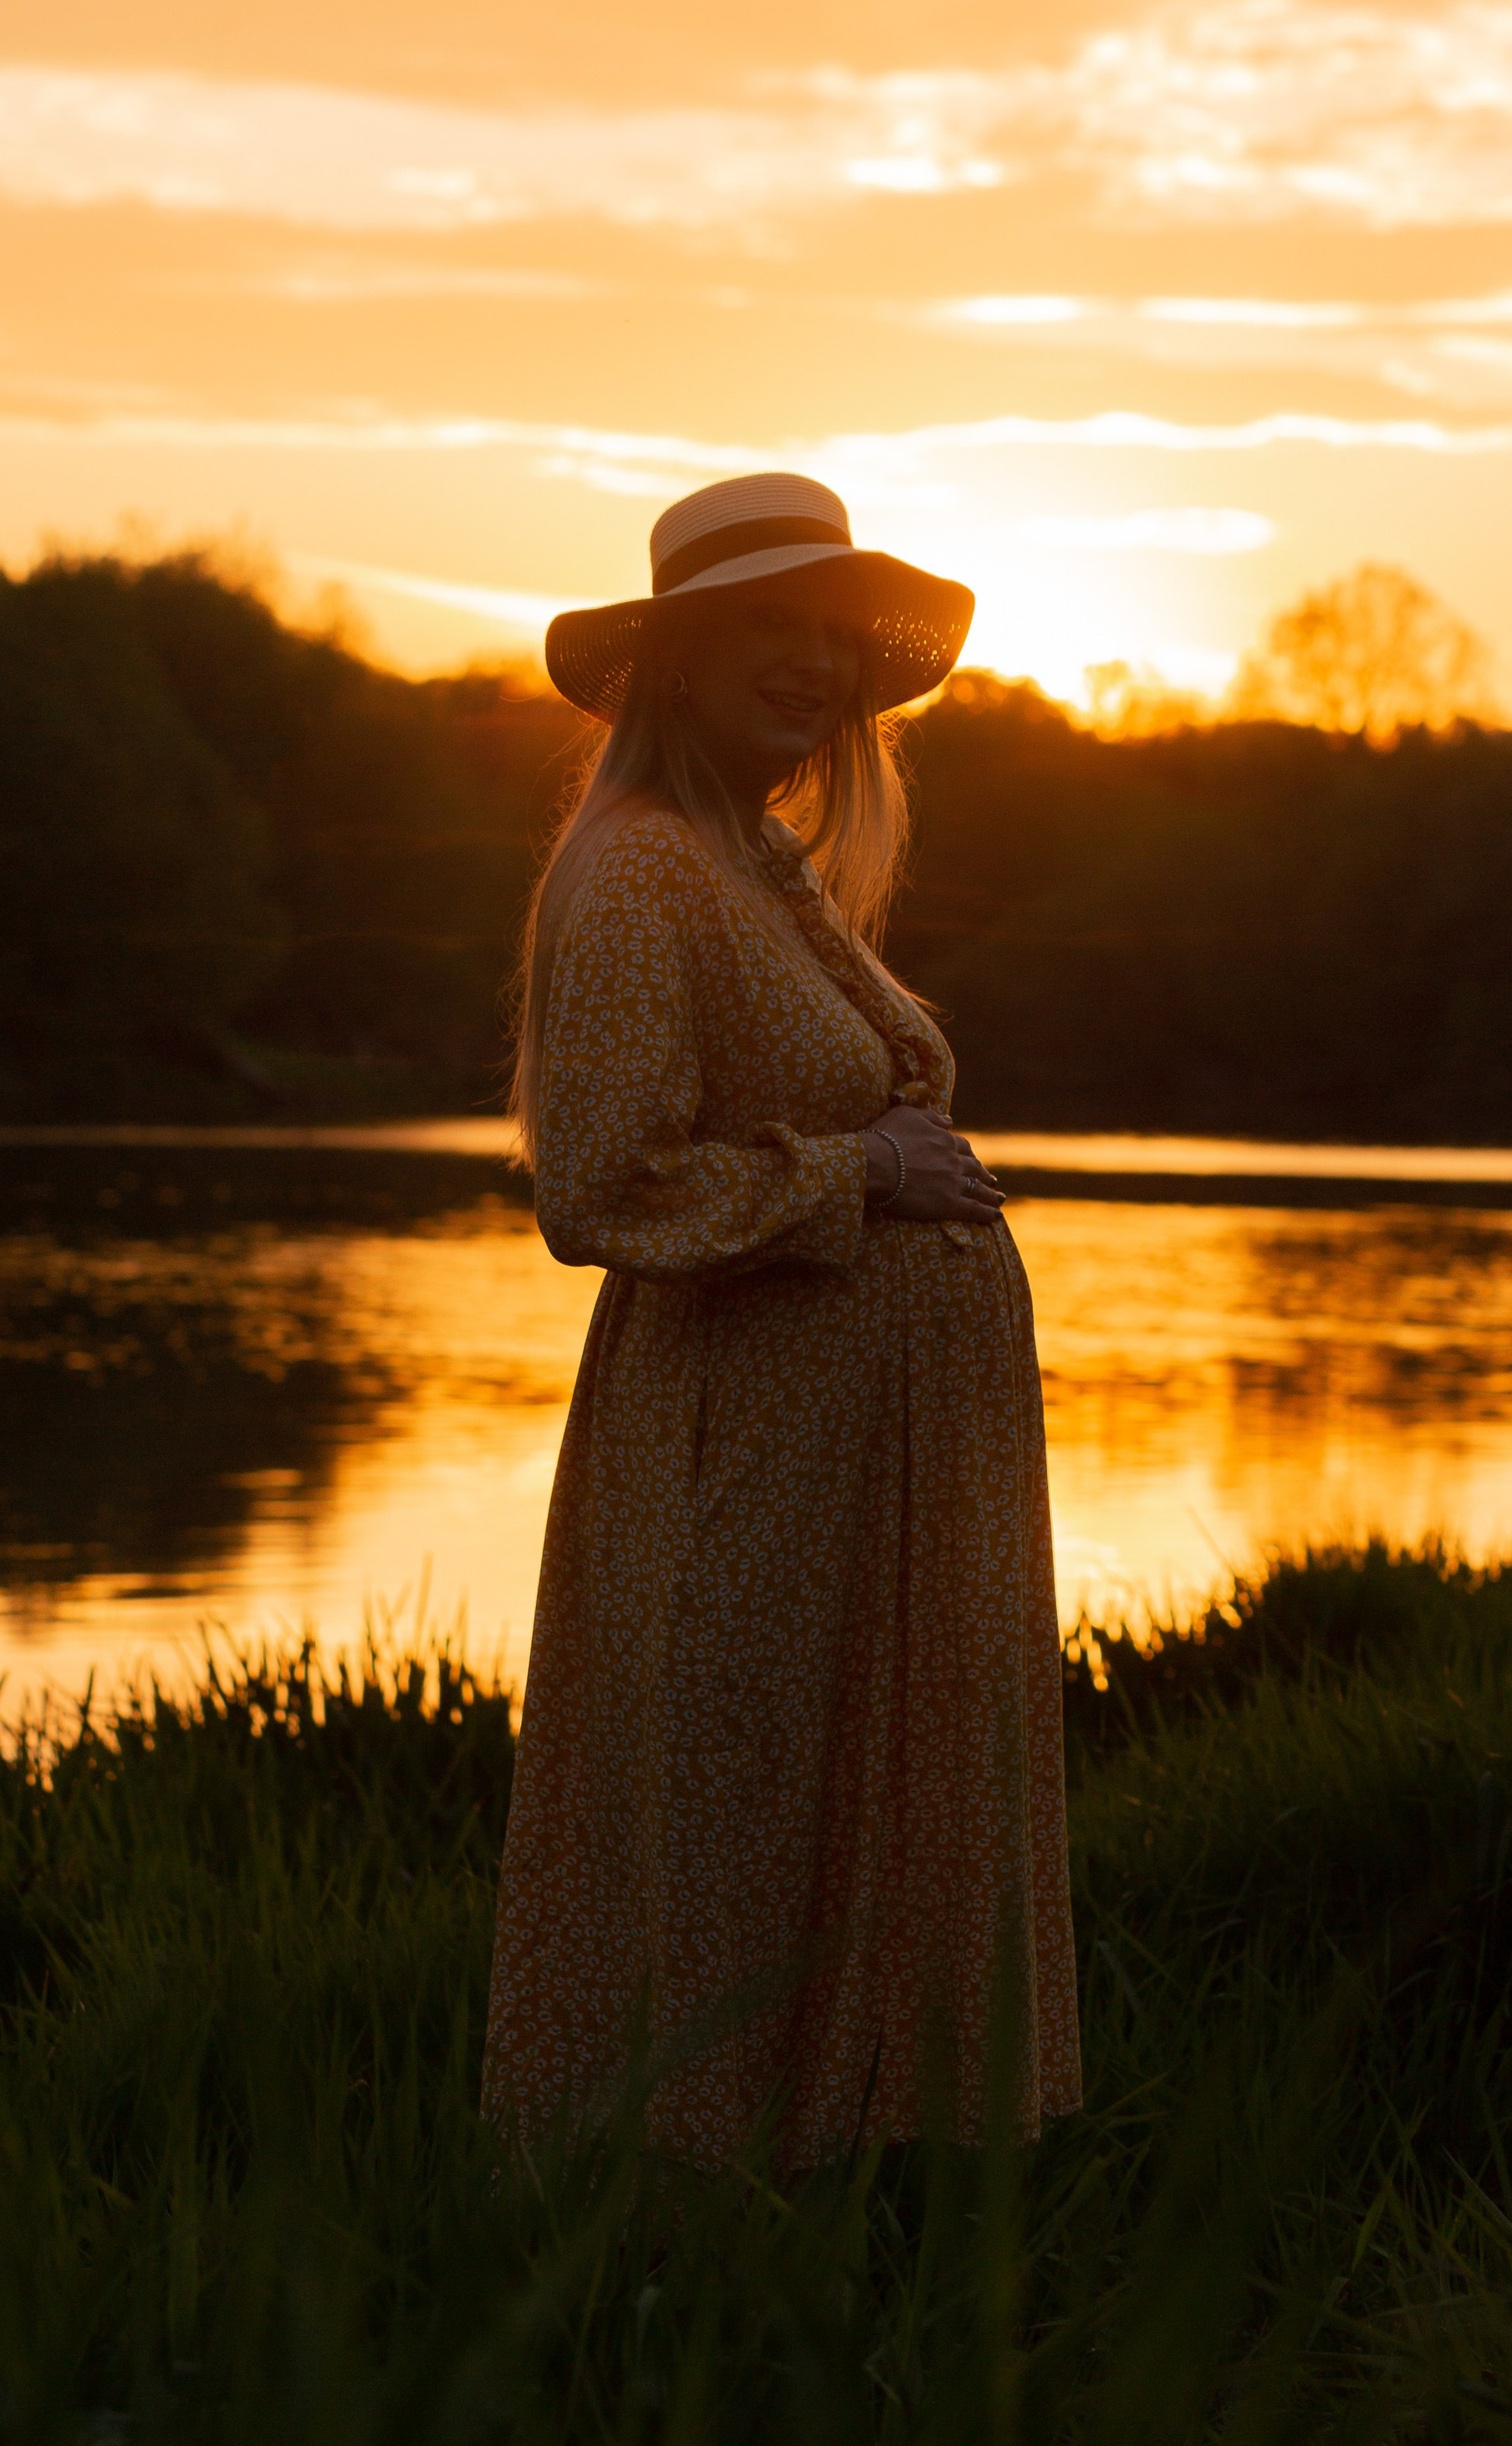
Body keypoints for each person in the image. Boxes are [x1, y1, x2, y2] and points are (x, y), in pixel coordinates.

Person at [480, 470, 1080, 2170]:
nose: (812, 669)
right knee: (727, 1829)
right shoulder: (638, 875)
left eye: (833, 639)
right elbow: (598, 1186)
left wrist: (875, 1177)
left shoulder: (754, 865)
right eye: (768, 630)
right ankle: (683, 2226)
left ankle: (855, 2170)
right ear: (674, 654)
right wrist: (856, 1177)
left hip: (848, 1466)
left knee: (835, 1818)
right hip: (743, 1455)